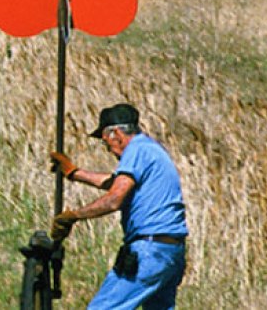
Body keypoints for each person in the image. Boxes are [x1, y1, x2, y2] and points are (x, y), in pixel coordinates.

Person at [48, 103, 189, 309]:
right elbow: (116, 182)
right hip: (170, 252)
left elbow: (115, 198)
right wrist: (74, 173)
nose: (109, 151)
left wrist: (74, 216)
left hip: (149, 251)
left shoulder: (136, 149)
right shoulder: (151, 150)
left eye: (107, 144)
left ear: (115, 133)